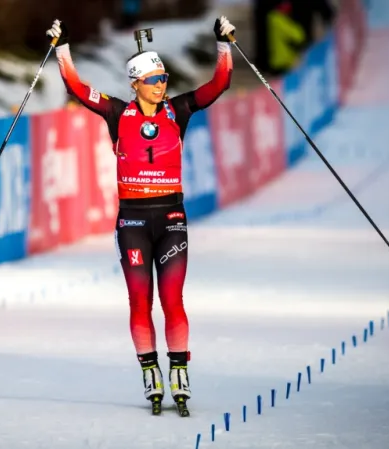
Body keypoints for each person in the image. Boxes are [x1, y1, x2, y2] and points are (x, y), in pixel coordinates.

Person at [45, 16, 235, 413]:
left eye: (163, 78)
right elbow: (78, 89)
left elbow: (219, 85)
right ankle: (151, 373)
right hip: (132, 220)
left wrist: (223, 44)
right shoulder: (117, 113)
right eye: (153, 80)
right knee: (139, 302)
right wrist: (61, 48)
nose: (161, 85)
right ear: (136, 84)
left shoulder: (178, 111)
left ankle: (179, 371)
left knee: (172, 298)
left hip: (171, 219)